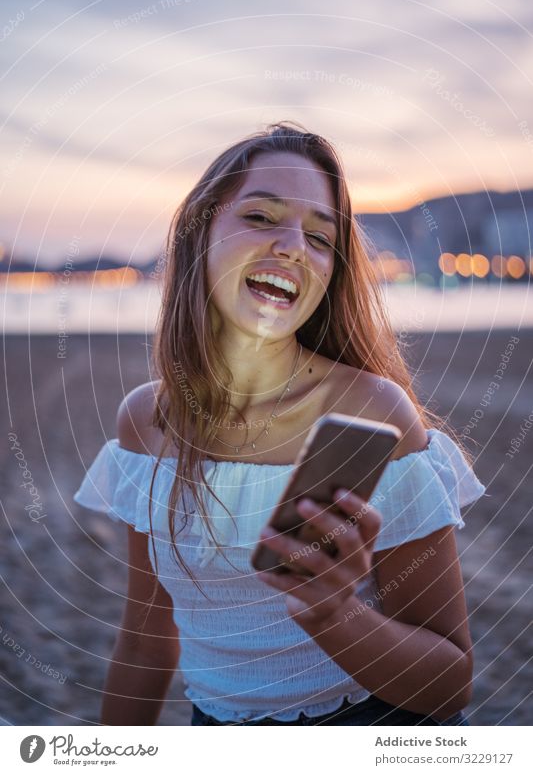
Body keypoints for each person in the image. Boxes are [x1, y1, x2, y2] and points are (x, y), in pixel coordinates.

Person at [74, 121, 486, 726]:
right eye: (262, 218)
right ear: (200, 232)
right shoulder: (148, 421)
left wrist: (336, 614)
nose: (293, 246)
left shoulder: (372, 412)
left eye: (320, 236)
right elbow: (145, 640)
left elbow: (448, 687)